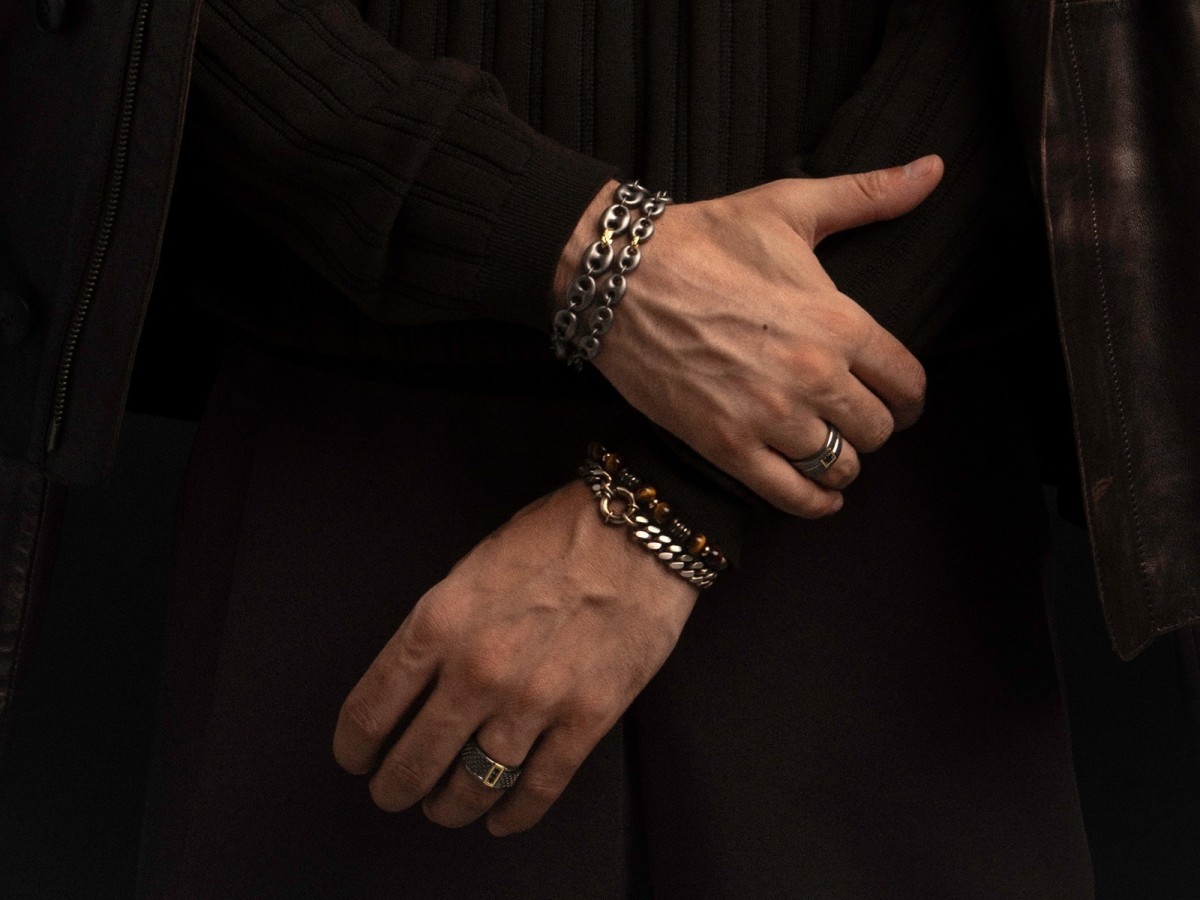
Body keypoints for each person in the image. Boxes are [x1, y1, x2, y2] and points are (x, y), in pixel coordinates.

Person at [0, 1, 1193, 897]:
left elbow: (1060, 32)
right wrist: (568, 244)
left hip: (871, 484)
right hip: (352, 482)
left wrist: (681, 488)